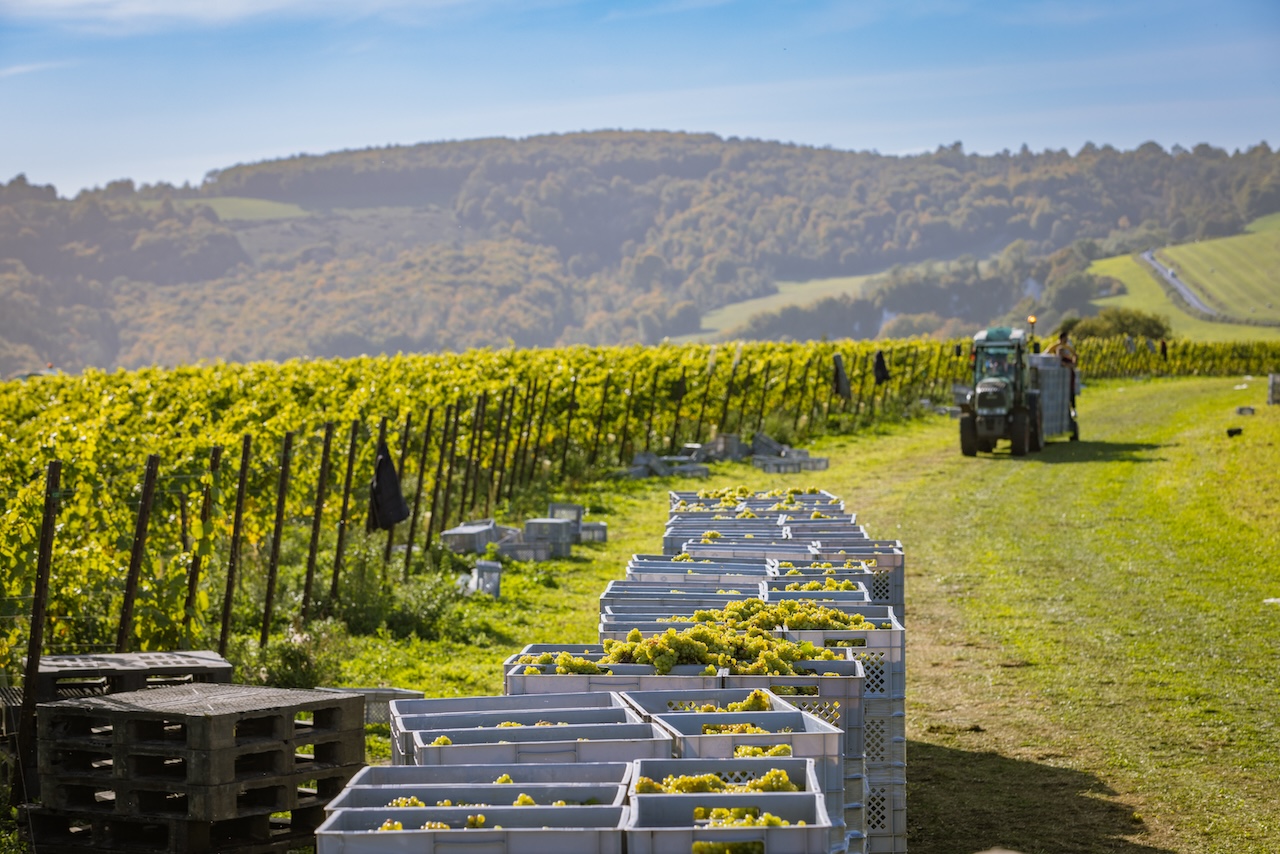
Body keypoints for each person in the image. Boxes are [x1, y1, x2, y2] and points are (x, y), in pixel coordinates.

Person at [1047, 329, 1078, 405]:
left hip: (1069, 375)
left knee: (1070, 392)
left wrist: (1073, 361)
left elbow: (1075, 357)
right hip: (1059, 376)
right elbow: (1047, 354)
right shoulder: (1056, 347)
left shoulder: (1068, 347)